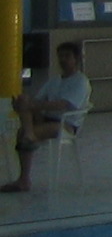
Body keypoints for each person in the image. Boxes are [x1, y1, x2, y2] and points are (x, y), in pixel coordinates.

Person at [5, 43, 90, 193]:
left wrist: (32, 105)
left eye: (67, 56)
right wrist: (24, 103)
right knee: (24, 101)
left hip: (66, 124)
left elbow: (62, 105)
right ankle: (29, 133)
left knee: (23, 131)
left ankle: (24, 179)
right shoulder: (55, 80)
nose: (63, 60)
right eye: (60, 56)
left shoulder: (81, 81)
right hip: (45, 119)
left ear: (76, 59)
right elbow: (37, 99)